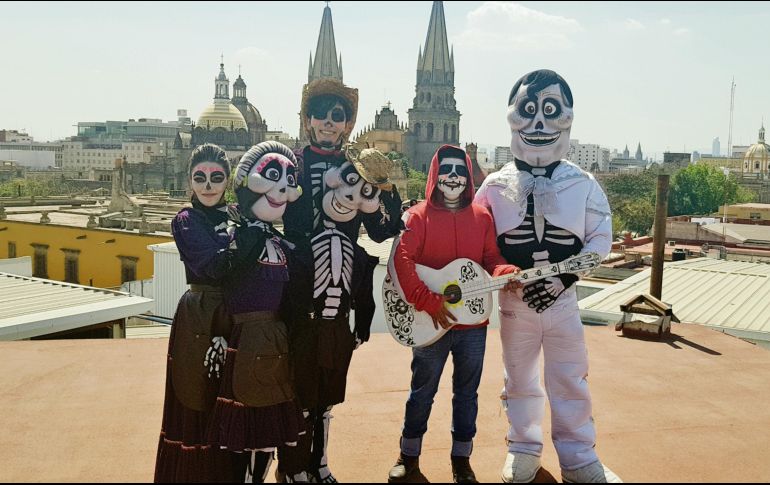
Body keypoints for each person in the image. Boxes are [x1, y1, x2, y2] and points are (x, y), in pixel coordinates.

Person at [474, 69, 618, 483]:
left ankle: (578, 458)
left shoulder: (584, 184)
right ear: (512, 116)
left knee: (570, 378)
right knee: (518, 378)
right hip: (515, 304)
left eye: (550, 111)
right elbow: (482, 245)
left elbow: (599, 241)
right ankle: (523, 447)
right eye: (528, 110)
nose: (538, 124)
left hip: (564, 303)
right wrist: (505, 276)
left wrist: (562, 280)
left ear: (568, 117)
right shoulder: (494, 187)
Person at [276, 78, 403, 483]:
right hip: (296, 288)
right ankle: (293, 466)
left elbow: (381, 231)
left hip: (339, 286)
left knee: (329, 383)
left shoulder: (357, 170)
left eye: (338, 116)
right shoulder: (289, 163)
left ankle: (320, 463)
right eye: (322, 115)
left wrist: (386, 189)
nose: (329, 123)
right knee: (296, 381)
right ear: (308, 119)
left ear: (347, 124)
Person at [386, 145, 520, 484]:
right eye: (447, 169)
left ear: (469, 176)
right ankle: (408, 455)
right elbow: (401, 261)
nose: (454, 177)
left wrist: (503, 270)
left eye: (460, 171)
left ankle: (462, 459)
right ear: (435, 174)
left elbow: (490, 258)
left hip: (472, 323)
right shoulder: (417, 216)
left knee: (467, 392)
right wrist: (427, 301)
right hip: (430, 321)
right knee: (422, 390)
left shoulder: (482, 217)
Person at [205, 141, 306, 483]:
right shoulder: (238, 238)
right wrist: (218, 330)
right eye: (274, 176)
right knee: (246, 425)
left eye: (289, 179)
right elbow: (223, 285)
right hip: (245, 340)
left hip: (276, 342)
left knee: (268, 431)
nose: (282, 188)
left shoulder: (280, 244)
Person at [154, 143, 241, 483]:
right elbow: (213, 265)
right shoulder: (186, 220)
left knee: (232, 397)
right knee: (196, 394)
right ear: (189, 181)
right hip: (200, 316)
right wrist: (243, 243)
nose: (208, 185)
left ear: (227, 179)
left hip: (236, 315)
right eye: (200, 177)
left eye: (216, 177)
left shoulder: (237, 215)